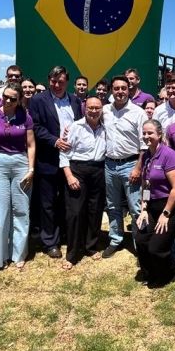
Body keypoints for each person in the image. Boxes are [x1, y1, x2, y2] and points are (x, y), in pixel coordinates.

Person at [28, 66, 83, 258]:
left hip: (71, 160)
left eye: (61, 81)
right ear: (49, 80)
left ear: (67, 81)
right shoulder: (37, 100)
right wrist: (54, 141)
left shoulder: (75, 101)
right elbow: (34, 125)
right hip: (48, 159)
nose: (57, 85)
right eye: (53, 81)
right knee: (47, 203)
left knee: (67, 202)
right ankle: (50, 241)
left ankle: (66, 234)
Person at [0, 86, 36, 270]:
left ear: (19, 100)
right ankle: (2, 254)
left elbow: (30, 145)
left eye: (13, 98)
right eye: (6, 97)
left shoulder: (25, 117)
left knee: (21, 209)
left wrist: (31, 168)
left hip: (21, 164)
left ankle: (19, 253)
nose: (8, 101)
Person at [134, 119, 175, 286]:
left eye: (150, 133)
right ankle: (150, 272)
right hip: (151, 205)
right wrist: (143, 209)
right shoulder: (147, 155)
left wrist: (166, 214)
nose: (147, 136)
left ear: (160, 134)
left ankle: (170, 271)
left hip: (171, 207)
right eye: (144, 133)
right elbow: (146, 184)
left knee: (156, 247)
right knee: (141, 240)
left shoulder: (169, 155)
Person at [101, 75, 146, 258]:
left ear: (129, 90)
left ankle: (140, 243)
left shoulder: (138, 113)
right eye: (116, 88)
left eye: (123, 88)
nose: (120, 91)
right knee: (112, 205)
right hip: (110, 164)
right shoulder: (105, 110)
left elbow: (144, 144)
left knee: (135, 207)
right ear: (112, 90)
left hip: (130, 164)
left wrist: (138, 167)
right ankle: (115, 239)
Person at [61, 96, 106, 269]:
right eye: (90, 108)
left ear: (102, 109)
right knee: (75, 212)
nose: (94, 111)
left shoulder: (105, 127)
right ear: (84, 109)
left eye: (97, 108)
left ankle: (91, 247)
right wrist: (69, 176)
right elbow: (63, 153)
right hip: (77, 170)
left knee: (95, 210)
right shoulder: (74, 127)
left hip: (98, 170)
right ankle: (72, 253)